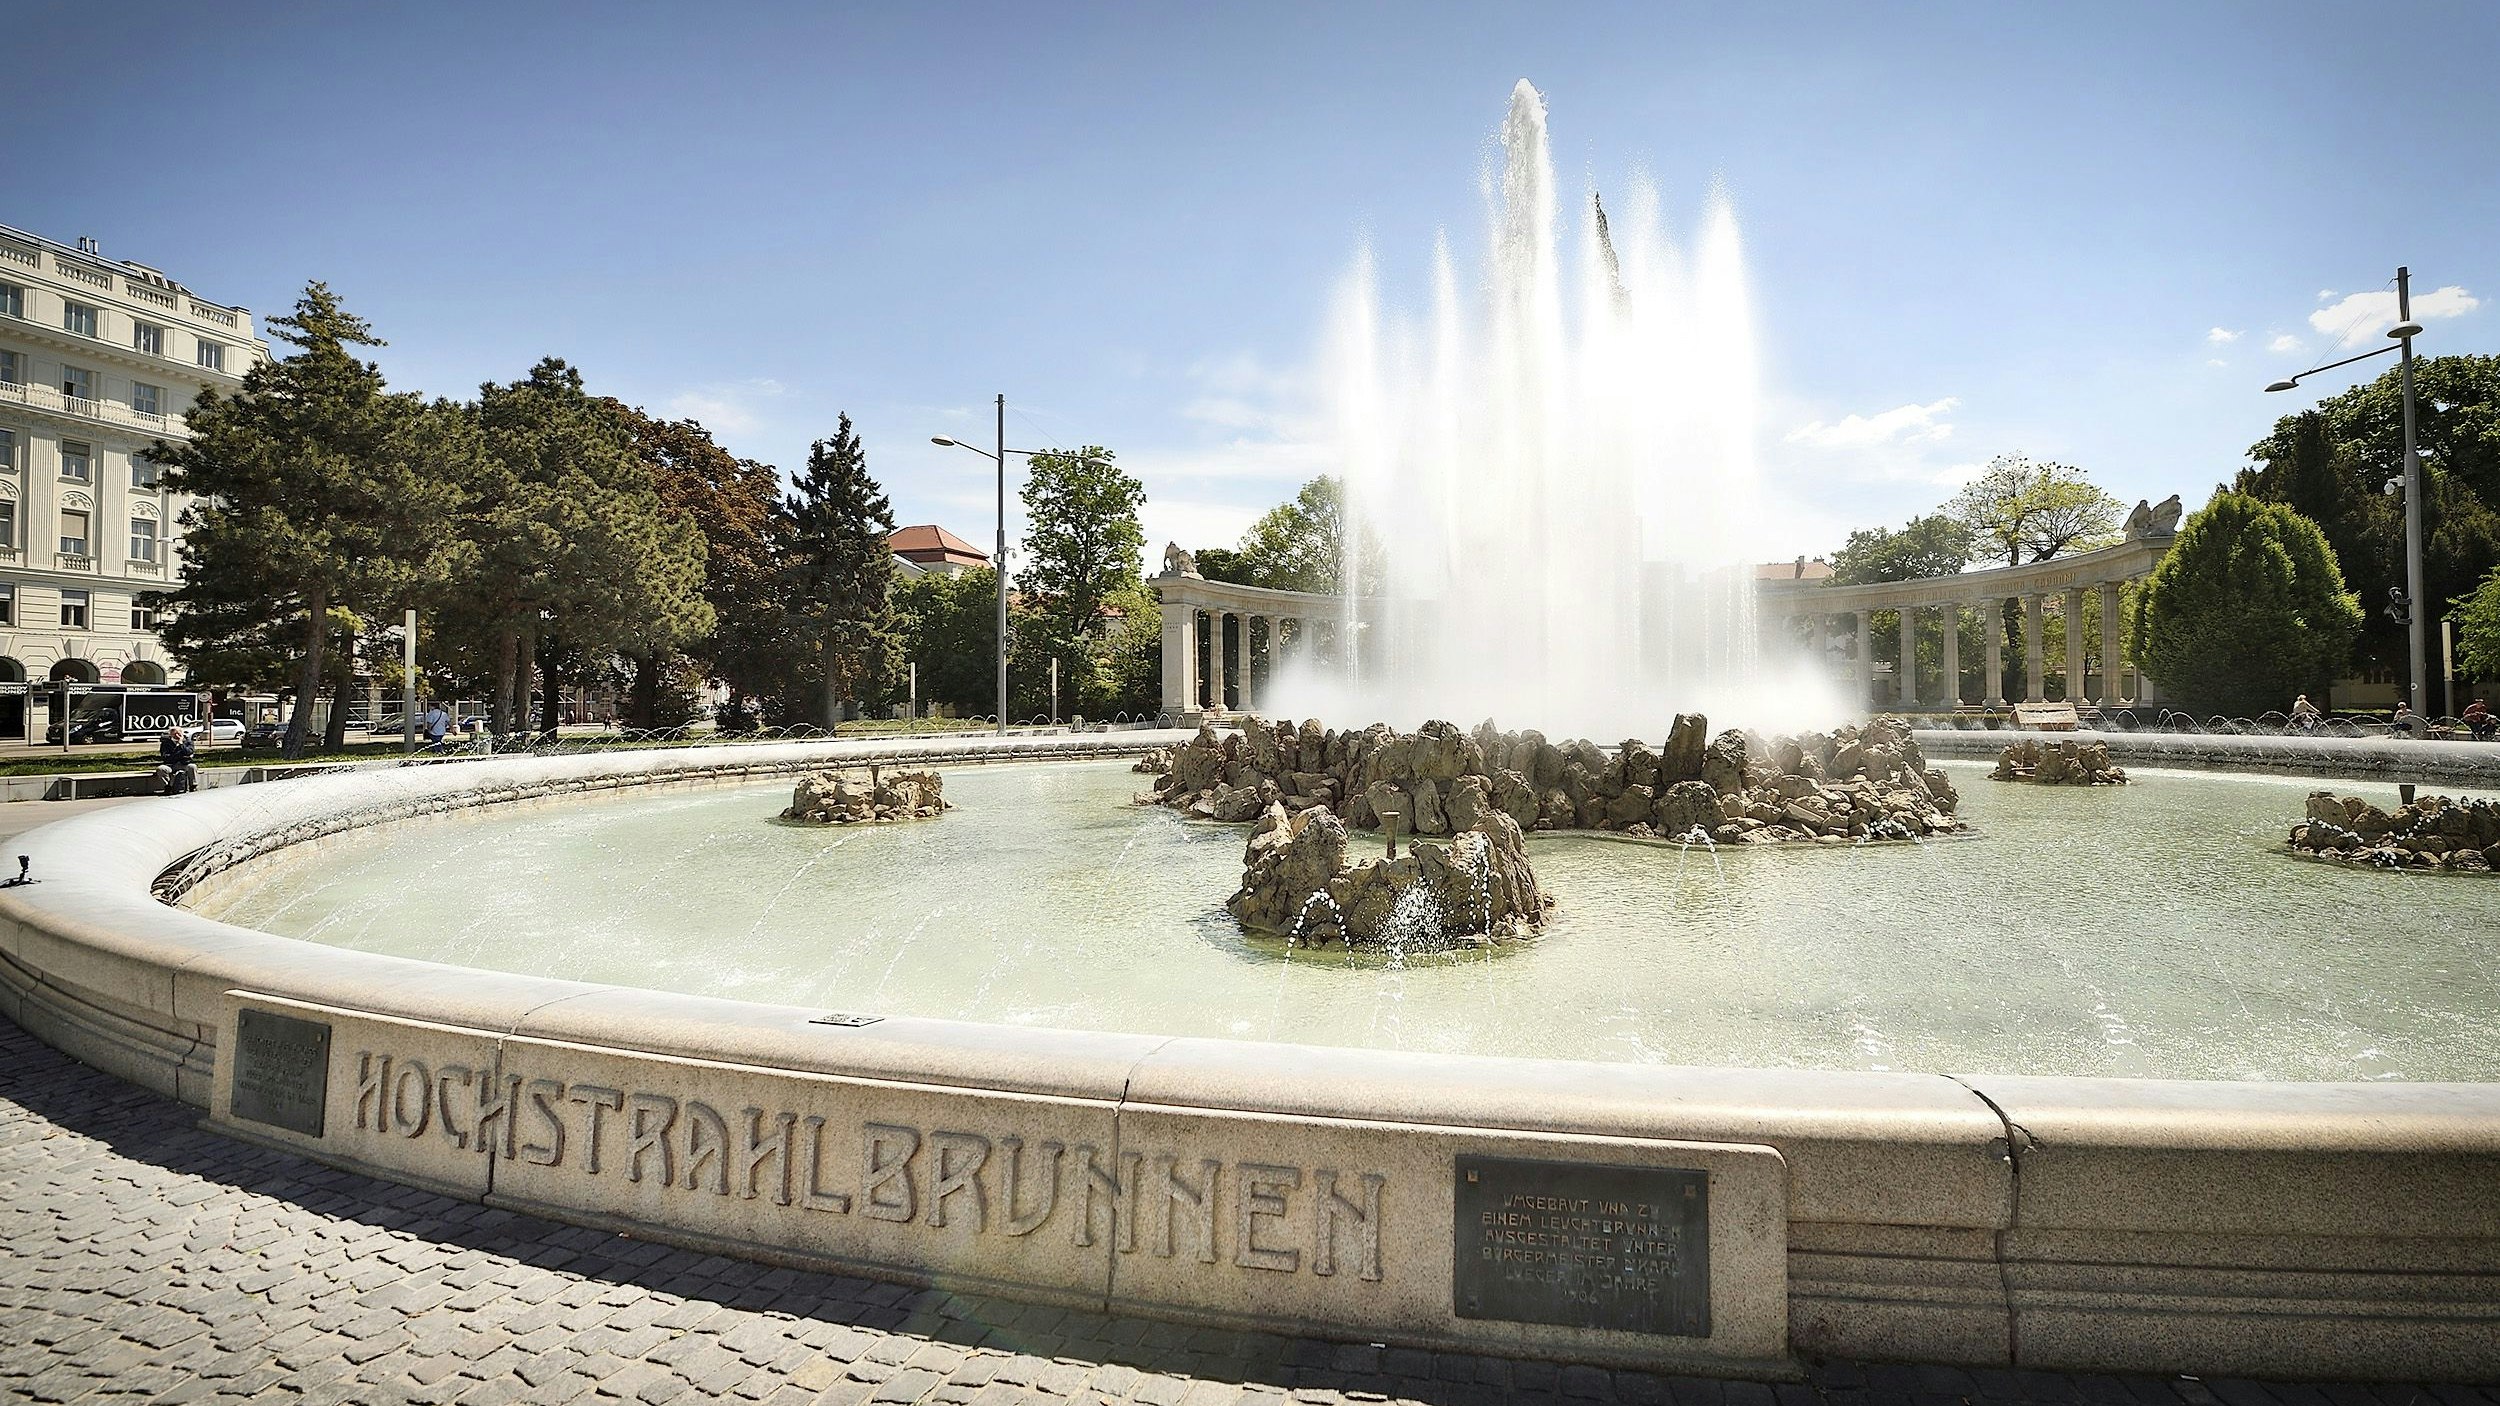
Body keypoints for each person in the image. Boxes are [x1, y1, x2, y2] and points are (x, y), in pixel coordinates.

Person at [155, 725, 198, 796]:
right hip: (171, 765)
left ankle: (193, 786)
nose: (177, 736)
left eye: (179, 734)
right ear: (171, 735)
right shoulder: (166, 743)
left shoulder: (188, 742)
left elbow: (189, 752)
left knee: (192, 767)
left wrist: (181, 744)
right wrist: (181, 755)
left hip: (184, 764)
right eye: (174, 734)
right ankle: (168, 786)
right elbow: (166, 757)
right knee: (161, 769)